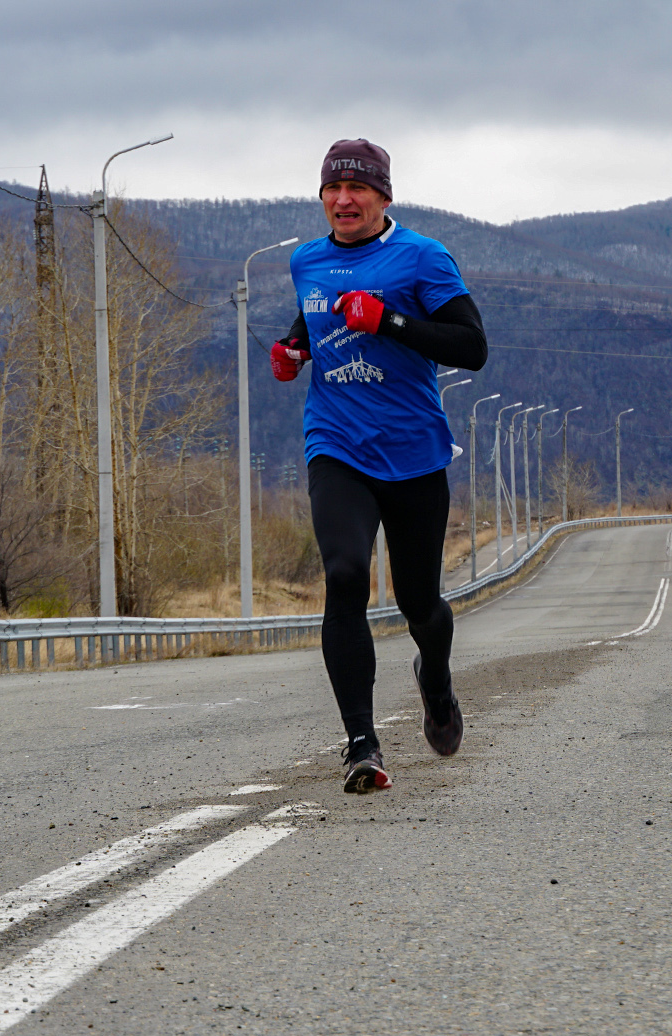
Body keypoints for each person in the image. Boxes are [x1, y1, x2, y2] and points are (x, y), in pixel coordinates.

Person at [271, 139, 487, 795]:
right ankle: (361, 744)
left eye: (357, 190)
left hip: (414, 452)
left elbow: (471, 346)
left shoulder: (422, 257)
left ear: (383, 197)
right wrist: (292, 349)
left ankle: (437, 683)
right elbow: (313, 319)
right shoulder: (306, 261)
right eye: (332, 190)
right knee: (342, 575)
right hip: (337, 444)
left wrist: (388, 319)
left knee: (421, 601)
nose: (343, 200)